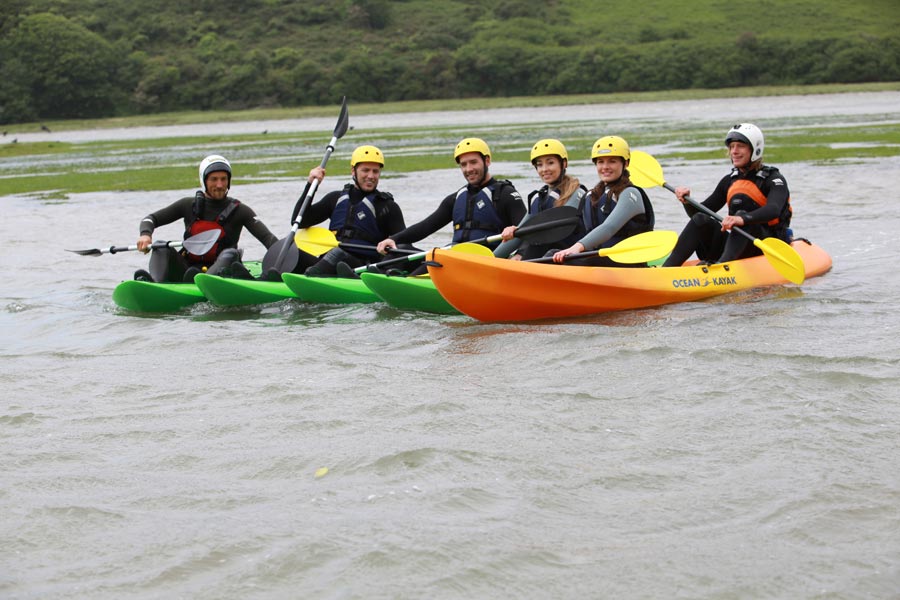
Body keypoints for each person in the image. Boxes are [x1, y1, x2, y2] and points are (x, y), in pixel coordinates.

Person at [375, 137, 526, 274]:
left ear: (487, 161)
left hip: (487, 263)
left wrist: (520, 252)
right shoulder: (456, 199)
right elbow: (426, 226)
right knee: (399, 251)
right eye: (463, 164)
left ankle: (406, 284)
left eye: (473, 162)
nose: (468, 169)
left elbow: (528, 233)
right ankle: (392, 282)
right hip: (453, 257)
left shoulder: (506, 194)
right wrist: (394, 239)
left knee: (438, 260)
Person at [662, 123, 792, 267]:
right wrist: (687, 201)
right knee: (700, 219)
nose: (734, 151)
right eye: (731, 147)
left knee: (743, 219)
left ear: (755, 149)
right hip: (737, 247)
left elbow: (773, 209)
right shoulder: (729, 181)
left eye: (740, 146)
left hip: (765, 246)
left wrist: (741, 218)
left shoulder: (773, 179)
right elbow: (700, 213)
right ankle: (667, 268)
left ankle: (722, 267)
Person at [134, 155, 278, 282]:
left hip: (222, 274)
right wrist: (145, 235)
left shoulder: (241, 211)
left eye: (224, 179)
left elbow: (269, 240)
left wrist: (289, 256)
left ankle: (205, 281)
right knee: (160, 246)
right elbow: (151, 219)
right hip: (187, 270)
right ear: (204, 181)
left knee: (231, 254)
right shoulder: (187, 205)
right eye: (214, 179)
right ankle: (157, 285)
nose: (220, 185)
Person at [289, 145, 406, 277]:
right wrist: (311, 185)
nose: (371, 176)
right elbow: (299, 221)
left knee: (338, 254)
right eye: (365, 170)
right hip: (328, 261)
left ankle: (311, 277)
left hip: (363, 267)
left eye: (375, 171)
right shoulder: (334, 199)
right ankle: (269, 279)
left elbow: (403, 246)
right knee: (290, 252)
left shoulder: (387, 207)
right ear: (353, 171)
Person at [551, 135, 655, 266]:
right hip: (599, 261)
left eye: (612, 161)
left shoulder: (630, 194)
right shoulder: (592, 196)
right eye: (600, 162)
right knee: (552, 254)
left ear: (626, 163)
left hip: (627, 264)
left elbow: (609, 227)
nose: (605, 167)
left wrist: (576, 248)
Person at [493, 138, 588, 260]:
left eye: (550, 163)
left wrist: (522, 252)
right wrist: (490, 259)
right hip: (546, 257)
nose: (544, 169)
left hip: (569, 257)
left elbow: (553, 231)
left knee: (532, 250)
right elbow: (521, 233)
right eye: (539, 164)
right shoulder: (539, 199)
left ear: (564, 164)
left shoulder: (577, 194)